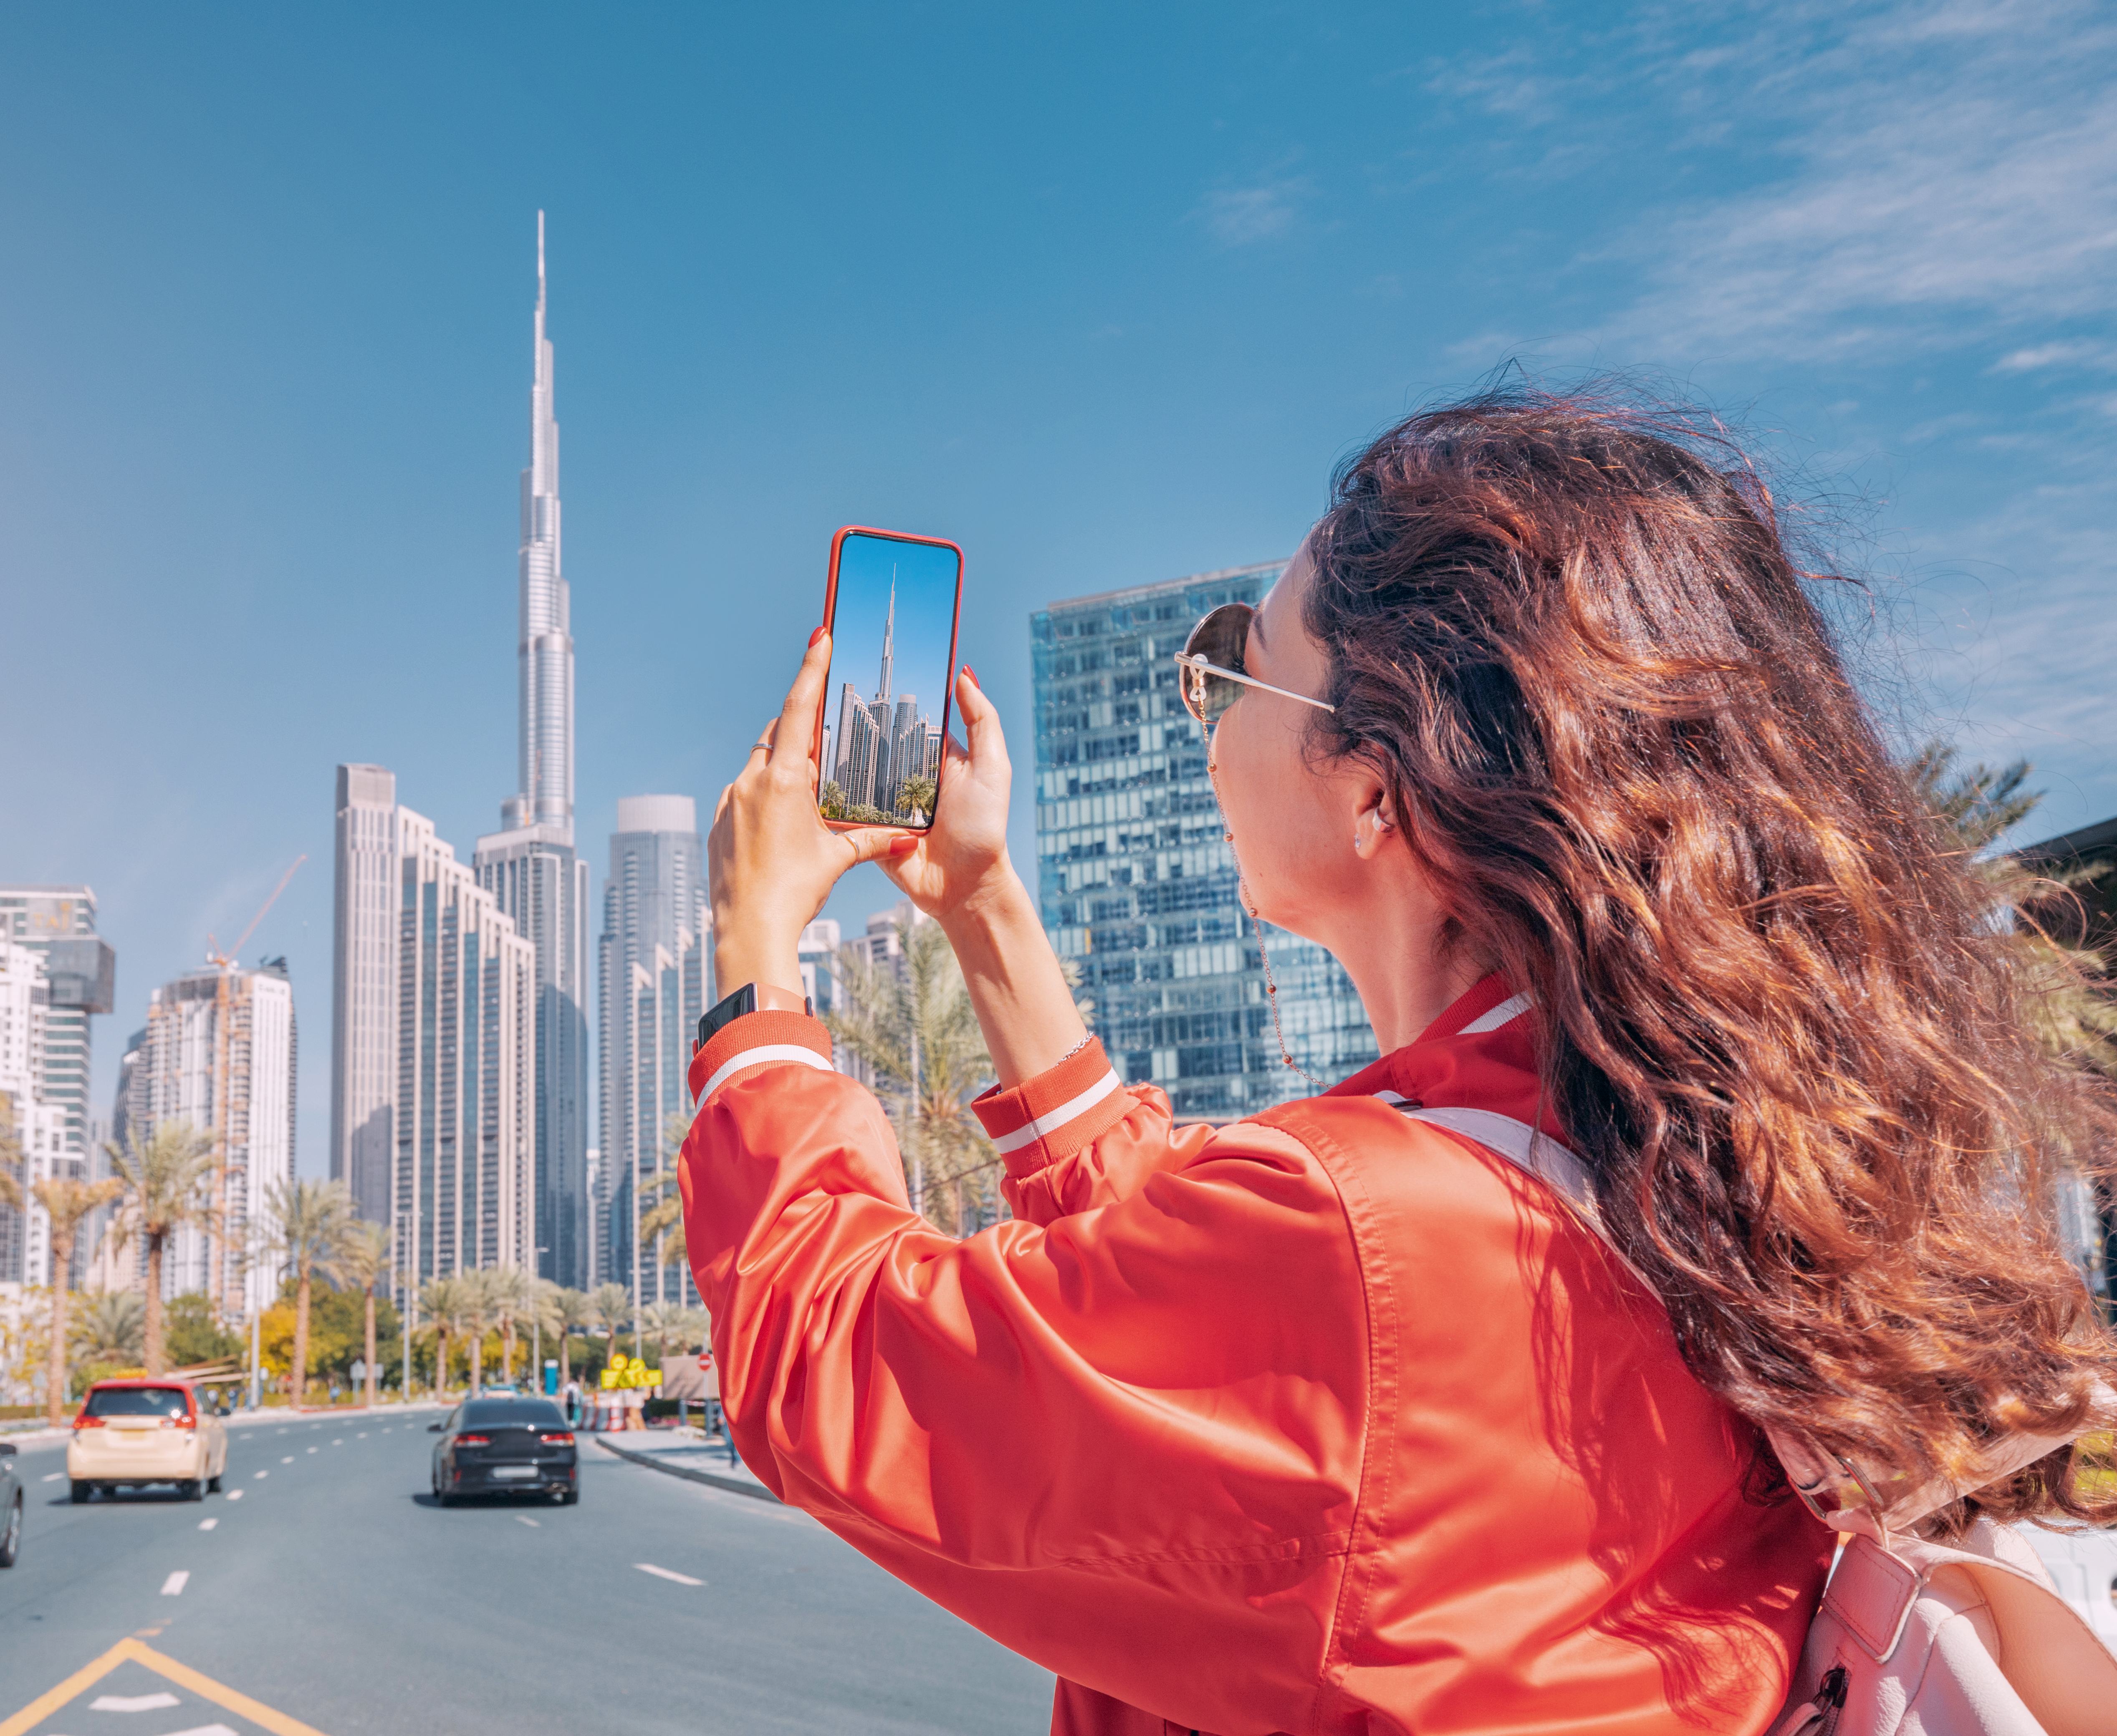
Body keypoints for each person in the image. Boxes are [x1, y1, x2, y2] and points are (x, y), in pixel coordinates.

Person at [680, 391, 2117, 1734]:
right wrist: (988, 914)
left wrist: (755, 951)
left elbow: (838, 1363)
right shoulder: (1654, 1149)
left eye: (1241, 663)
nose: (1211, 706)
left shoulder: (1374, 1246)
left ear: (1374, 786)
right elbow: (1189, 1268)